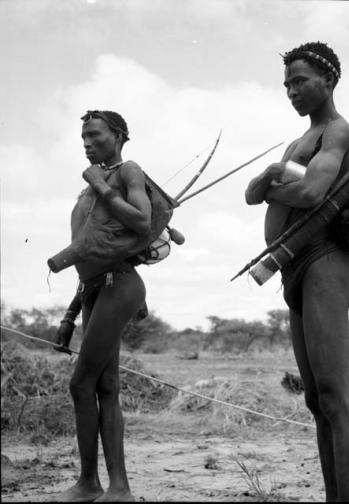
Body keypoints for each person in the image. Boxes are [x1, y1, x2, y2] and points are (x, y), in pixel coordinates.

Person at [245, 41, 349, 502]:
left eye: (300, 81)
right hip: (293, 270)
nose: (291, 91)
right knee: (316, 401)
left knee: (335, 396)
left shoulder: (336, 132)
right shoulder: (298, 142)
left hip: (325, 264)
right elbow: (253, 194)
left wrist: (273, 181)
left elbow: (314, 192)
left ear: (328, 81)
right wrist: (271, 178)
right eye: (287, 84)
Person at [55, 110, 151, 502]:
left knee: (82, 383)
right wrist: (69, 315)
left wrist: (101, 185)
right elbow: (88, 255)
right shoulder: (87, 188)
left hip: (120, 284)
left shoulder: (128, 171)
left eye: (94, 135)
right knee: (105, 385)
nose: (86, 142)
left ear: (119, 135)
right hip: (95, 288)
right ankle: (105, 486)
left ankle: (100, 484)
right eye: (83, 137)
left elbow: (143, 221)